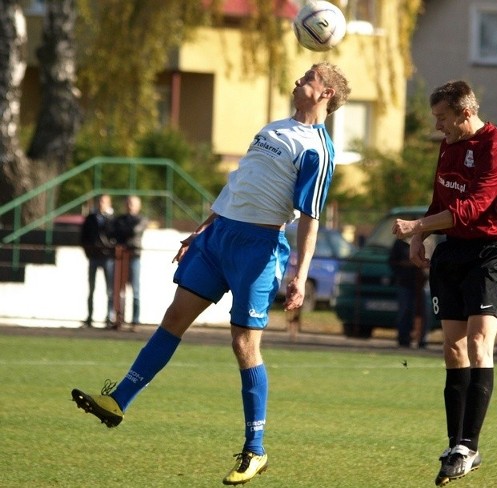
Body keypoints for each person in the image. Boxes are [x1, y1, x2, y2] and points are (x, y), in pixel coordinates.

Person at [70, 62, 351, 486]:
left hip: (258, 248)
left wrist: (300, 271)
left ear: (325, 93)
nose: (298, 80)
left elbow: (310, 218)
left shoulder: (318, 148)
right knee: (174, 318)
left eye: (308, 78)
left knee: (243, 343)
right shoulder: (272, 128)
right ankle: (118, 401)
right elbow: (238, 184)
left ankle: (255, 450)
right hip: (218, 237)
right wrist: (202, 229)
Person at [392, 80, 497, 486]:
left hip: (490, 252)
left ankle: (469, 444)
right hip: (452, 253)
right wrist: (420, 235)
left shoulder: (496, 148)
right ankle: (454, 445)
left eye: (443, 118)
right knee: (452, 346)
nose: (438, 126)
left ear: (465, 113)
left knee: (480, 342)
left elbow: (471, 208)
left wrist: (417, 225)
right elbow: (443, 199)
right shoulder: (449, 145)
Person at [111, 195, 148, 328]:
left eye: (132, 203)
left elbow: (134, 231)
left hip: (134, 256)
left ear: (139, 206)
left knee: (135, 290)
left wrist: (123, 231)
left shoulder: (142, 219)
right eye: (128, 203)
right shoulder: (120, 219)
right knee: (118, 290)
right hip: (120, 257)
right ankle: (118, 319)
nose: (130, 206)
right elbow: (114, 232)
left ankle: (135, 321)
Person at [79, 193, 115, 328]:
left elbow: (114, 235)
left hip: (107, 258)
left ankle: (109, 317)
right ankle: (89, 317)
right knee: (91, 288)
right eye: (100, 201)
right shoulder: (91, 218)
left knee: (110, 290)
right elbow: (84, 236)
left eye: (104, 202)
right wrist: (88, 252)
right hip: (94, 257)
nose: (101, 204)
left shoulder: (111, 219)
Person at [388, 237, 430, 348]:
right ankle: (403, 338)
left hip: (423, 282)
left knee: (424, 312)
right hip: (405, 281)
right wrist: (407, 264)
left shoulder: (428, 240)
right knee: (405, 309)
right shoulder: (401, 242)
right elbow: (393, 261)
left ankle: (422, 339)